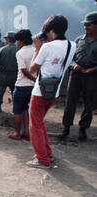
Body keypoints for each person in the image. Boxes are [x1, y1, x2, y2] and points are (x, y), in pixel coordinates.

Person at [26, 14, 76, 168]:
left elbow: (33, 69)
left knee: (35, 125)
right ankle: (47, 153)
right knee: (40, 123)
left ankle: (42, 159)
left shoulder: (46, 47)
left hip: (40, 92)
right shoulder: (72, 45)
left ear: (51, 30)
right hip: (54, 92)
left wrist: (37, 47)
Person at [59, 11, 97, 142]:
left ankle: (83, 129)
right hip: (76, 75)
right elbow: (70, 59)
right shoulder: (78, 40)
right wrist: (74, 65)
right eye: (85, 25)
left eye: (89, 25)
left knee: (89, 103)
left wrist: (93, 69)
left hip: (92, 76)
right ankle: (66, 128)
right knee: (70, 102)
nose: (86, 27)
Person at [9, 29, 36, 141]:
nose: (16, 43)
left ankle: (17, 133)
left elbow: (24, 70)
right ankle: (27, 132)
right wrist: (35, 80)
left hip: (21, 85)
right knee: (25, 108)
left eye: (17, 41)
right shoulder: (35, 50)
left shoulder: (20, 53)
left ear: (21, 41)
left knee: (17, 110)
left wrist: (33, 79)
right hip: (32, 86)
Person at [0, 31, 19, 126]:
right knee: (16, 96)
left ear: (8, 39)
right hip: (14, 76)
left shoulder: (1, 50)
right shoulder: (18, 50)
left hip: (2, 75)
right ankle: (17, 116)